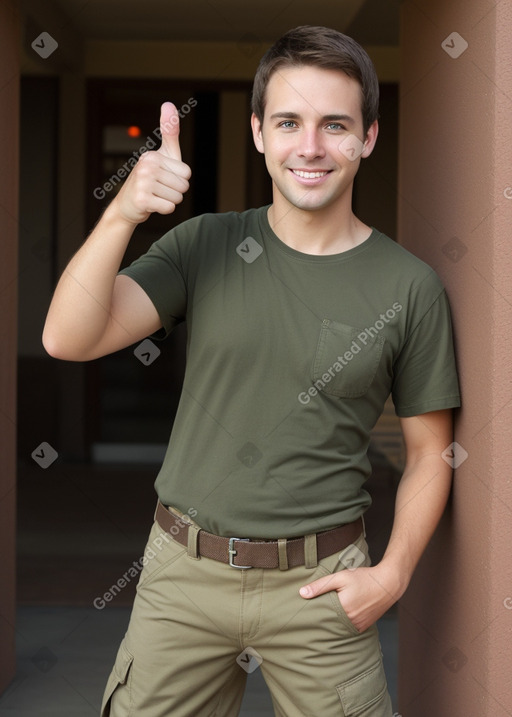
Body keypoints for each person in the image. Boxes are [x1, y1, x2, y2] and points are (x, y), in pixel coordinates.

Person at [43, 25, 460, 717]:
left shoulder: (408, 286)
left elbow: (428, 453)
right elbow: (66, 337)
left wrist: (392, 574)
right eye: (290, 122)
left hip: (324, 585)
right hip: (183, 577)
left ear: (369, 137)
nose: (311, 147)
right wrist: (124, 210)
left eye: (335, 125)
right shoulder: (205, 245)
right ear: (260, 132)